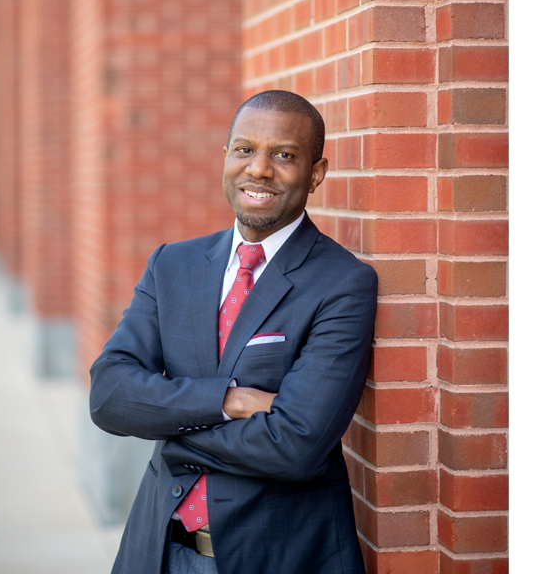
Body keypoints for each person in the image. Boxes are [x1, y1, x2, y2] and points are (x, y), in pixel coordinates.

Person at [89, 90, 377, 574]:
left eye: (283, 155)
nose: (259, 169)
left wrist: (168, 429)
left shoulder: (341, 282)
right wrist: (230, 402)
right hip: (157, 548)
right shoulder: (172, 264)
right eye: (244, 150)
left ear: (316, 173)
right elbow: (109, 394)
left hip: (276, 555)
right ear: (226, 158)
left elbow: (296, 446)